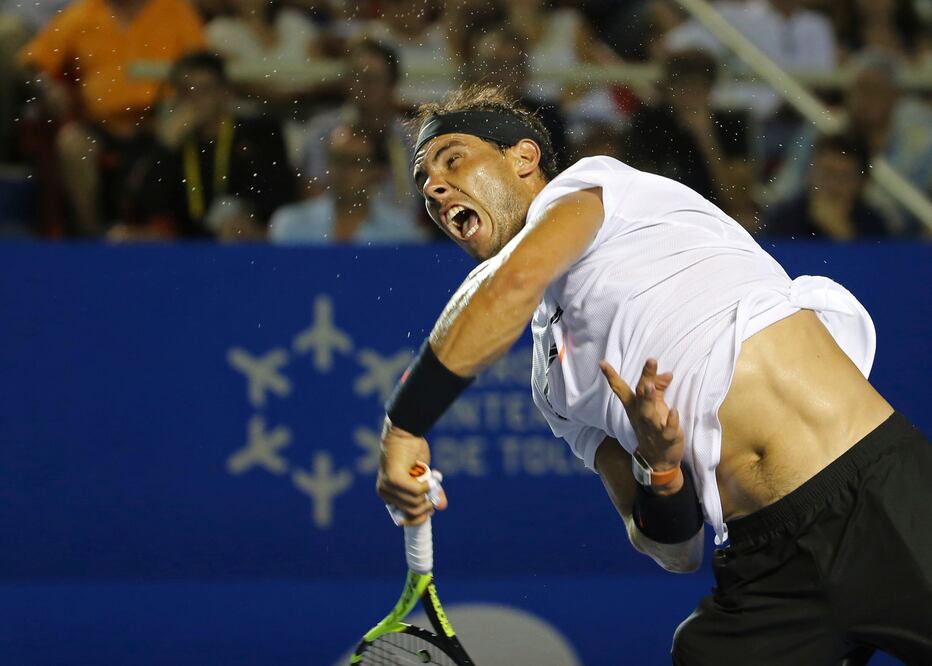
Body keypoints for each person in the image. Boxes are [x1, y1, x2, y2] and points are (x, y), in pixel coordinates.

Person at [374, 85, 932, 664]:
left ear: (523, 157)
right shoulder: (551, 380)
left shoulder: (598, 189)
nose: (435, 190)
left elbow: (509, 285)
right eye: (424, 184)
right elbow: (674, 549)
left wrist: (405, 425)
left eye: (453, 159)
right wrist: (660, 468)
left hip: (879, 497)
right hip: (768, 570)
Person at [17, 0, 205, 235]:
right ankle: (93, 234)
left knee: (184, 128)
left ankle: (172, 230)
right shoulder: (82, 13)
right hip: (101, 124)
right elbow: (30, 61)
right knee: (72, 143)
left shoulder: (174, 10)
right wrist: (47, 87)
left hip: (159, 120)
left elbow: (202, 67)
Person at [117, 52, 295, 241]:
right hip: (180, 241)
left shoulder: (259, 133)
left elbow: (277, 195)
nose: (197, 100)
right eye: (187, 91)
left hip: (240, 238)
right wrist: (166, 147)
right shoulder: (161, 140)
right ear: (176, 96)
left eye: (205, 89)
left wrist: (245, 213)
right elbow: (141, 206)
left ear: (224, 92)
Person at [269, 123, 428, 244]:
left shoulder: (401, 232)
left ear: (376, 171)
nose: (343, 171)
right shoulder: (290, 224)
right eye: (337, 161)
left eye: (355, 163)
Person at [763, 133, 887, 239]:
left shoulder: (874, 225)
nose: (833, 185)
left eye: (844, 177)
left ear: (861, 182)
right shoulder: (784, 218)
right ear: (811, 174)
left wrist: (843, 235)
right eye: (827, 173)